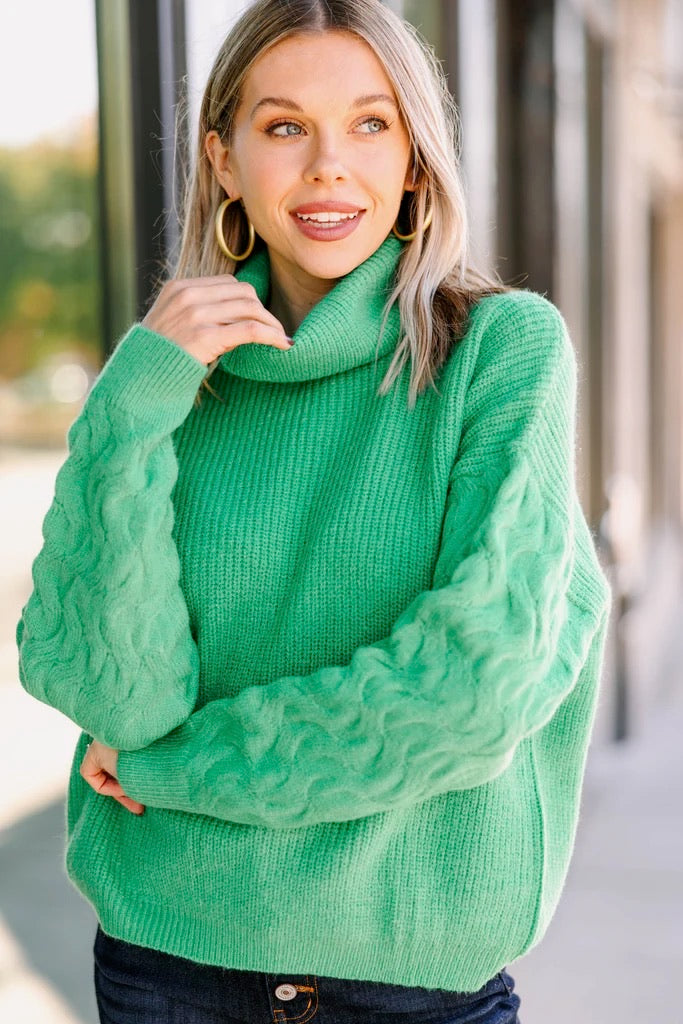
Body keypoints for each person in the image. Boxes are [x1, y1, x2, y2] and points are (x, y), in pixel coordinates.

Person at [16, 1, 612, 1021]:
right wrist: (125, 413)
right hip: (169, 965)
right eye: (284, 126)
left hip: (409, 985)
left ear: (416, 160)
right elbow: (112, 696)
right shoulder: (172, 382)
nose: (328, 165)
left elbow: (466, 693)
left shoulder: (499, 355)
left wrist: (180, 769)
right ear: (224, 158)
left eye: (370, 124)